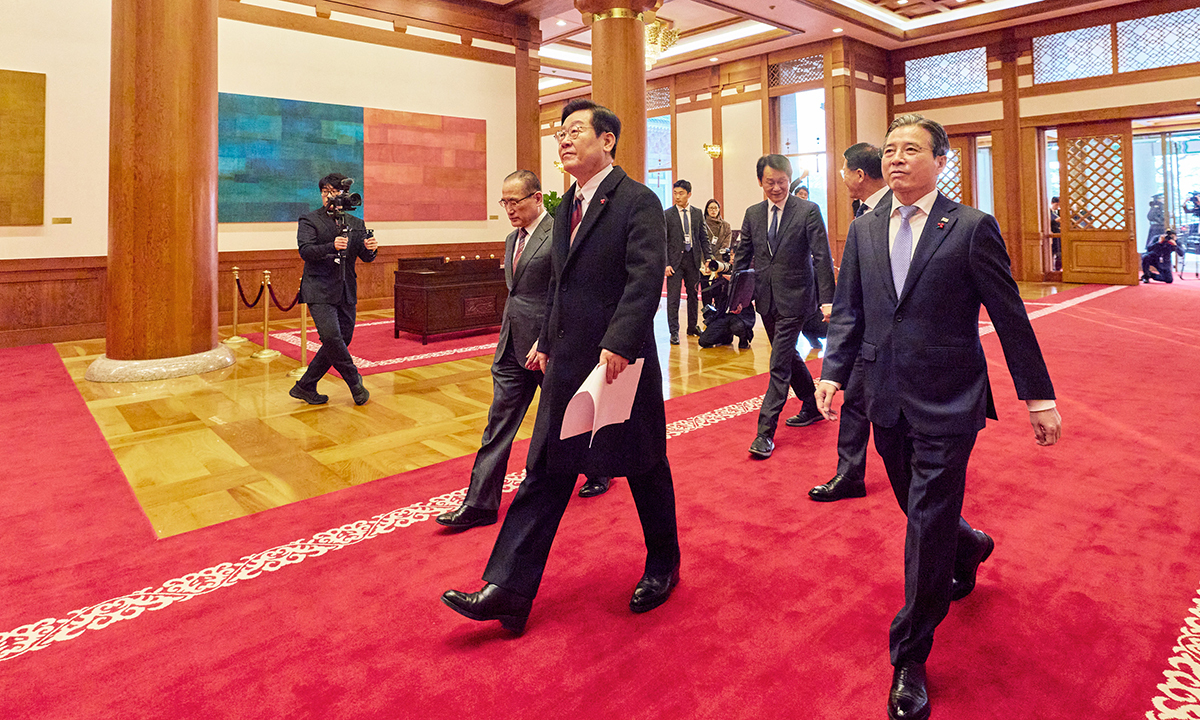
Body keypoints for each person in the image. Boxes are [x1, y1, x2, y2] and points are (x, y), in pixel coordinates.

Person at [815, 114, 1061, 720]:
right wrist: (831, 372)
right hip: (884, 394)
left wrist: (1039, 396)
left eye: (911, 150)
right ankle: (971, 544)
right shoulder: (867, 228)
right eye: (890, 150)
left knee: (924, 521)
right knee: (916, 504)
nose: (896, 159)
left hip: (950, 396)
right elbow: (850, 311)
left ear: (941, 161)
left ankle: (910, 654)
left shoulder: (970, 227)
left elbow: (1009, 316)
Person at [441, 98, 681, 634]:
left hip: (620, 364)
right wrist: (546, 341)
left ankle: (664, 564)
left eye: (576, 131)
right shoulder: (566, 204)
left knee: (643, 465)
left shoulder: (636, 201)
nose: (564, 140)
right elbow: (557, 285)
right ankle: (509, 589)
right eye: (560, 133)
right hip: (569, 362)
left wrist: (620, 341)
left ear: (608, 140)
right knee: (545, 470)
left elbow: (645, 280)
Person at [435, 171, 612, 532]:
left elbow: (564, 292)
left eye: (515, 201)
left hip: (550, 347)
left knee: (566, 418)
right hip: (512, 346)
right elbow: (516, 295)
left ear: (536, 198)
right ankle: (479, 503)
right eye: (504, 202)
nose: (509, 209)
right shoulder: (509, 239)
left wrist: (545, 339)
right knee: (498, 424)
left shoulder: (560, 234)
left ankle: (600, 470)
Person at [736, 154, 835, 460]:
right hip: (765, 298)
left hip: (797, 298)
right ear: (760, 182)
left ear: (789, 180)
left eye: (782, 181)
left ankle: (764, 432)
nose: (776, 188)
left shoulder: (807, 210)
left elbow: (821, 255)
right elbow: (743, 256)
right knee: (788, 355)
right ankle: (810, 403)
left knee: (779, 362)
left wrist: (827, 299)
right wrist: (736, 300)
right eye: (770, 182)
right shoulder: (753, 213)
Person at [808, 142, 890, 503]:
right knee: (855, 401)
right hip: (863, 334)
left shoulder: (896, 210)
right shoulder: (862, 217)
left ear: (859, 174)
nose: (840, 177)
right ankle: (849, 473)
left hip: (893, 337)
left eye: (843, 170)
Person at [289, 172, 377, 406]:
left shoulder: (356, 223)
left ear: (344, 195)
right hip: (318, 288)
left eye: (334, 191)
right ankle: (354, 382)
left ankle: (305, 385)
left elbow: (366, 257)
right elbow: (305, 251)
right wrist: (331, 246)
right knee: (330, 336)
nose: (329, 196)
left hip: (346, 290)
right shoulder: (309, 220)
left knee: (341, 340)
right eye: (325, 192)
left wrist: (371, 249)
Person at [665, 180, 710, 345]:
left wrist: (709, 258)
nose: (677, 196)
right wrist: (666, 263)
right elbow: (663, 241)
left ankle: (692, 327)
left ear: (689, 194)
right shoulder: (667, 214)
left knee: (693, 296)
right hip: (674, 263)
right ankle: (674, 332)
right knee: (673, 298)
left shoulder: (697, 213)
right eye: (675, 193)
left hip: (692, 260)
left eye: (681, 193)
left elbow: (703, 237)